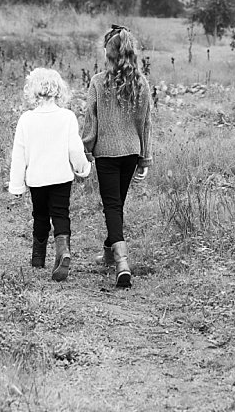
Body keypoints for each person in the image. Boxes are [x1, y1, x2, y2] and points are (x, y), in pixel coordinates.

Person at [84, 25, 153, 288]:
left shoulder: (98, 82)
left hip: (107, 154)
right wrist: (144, 157)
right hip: (131, 153)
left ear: (108, 53)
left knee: (112, 206)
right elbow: (146, 122)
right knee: (117, 204)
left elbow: (91, 120)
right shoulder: (141, 83)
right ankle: (108, 252)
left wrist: (86, 150)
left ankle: (122, 263)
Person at [9, 68, 91, 282]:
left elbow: (19, 155)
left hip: (37, 179)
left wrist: (16, 186)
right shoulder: (67, 117)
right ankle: (63, 251)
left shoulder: (26, 119)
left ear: (33, 91)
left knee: (40, 215)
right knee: (61, 214)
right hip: (61, 177)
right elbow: (75, 148)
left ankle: (38, 258)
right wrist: (83, 168)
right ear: (58, 90)